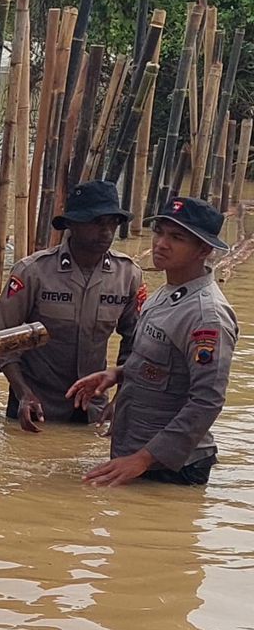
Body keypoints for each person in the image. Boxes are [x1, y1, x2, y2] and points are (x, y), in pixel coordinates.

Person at [69, 196, 239, 486]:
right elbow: (165, 366)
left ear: (204, 249)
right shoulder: (164, 294)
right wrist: (117, 374)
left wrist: (144, 459)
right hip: (136, 451)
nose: (161, 243)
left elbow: (207, 401)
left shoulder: (206, 316)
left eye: (176, 237)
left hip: (172, 467)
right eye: (159, 232)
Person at [0, 180, 144, 432]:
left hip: (94, 408)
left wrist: (121, 399)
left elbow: (136, 343)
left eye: (112, 223)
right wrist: (23, 393)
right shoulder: (32, 272)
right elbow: (3, 342)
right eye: (97, 222)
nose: (106, 231)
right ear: (72, 224)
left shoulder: (128, 275)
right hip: (36, 404)